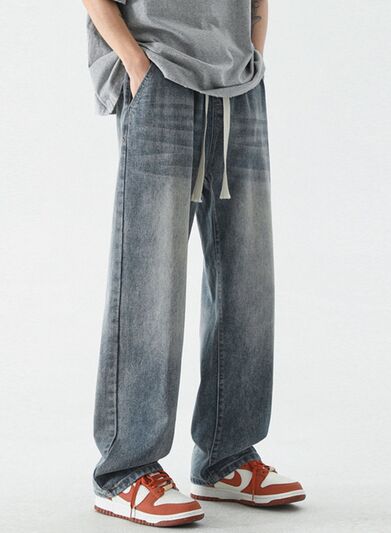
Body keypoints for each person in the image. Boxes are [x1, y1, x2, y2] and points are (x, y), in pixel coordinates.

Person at [83, 0, 305, 527]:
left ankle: (227, 456)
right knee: (150, 279)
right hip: (158, 73)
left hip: (239, 83)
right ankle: (126, 470)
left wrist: (251, 56)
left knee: (248, 279)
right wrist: (135, 63)